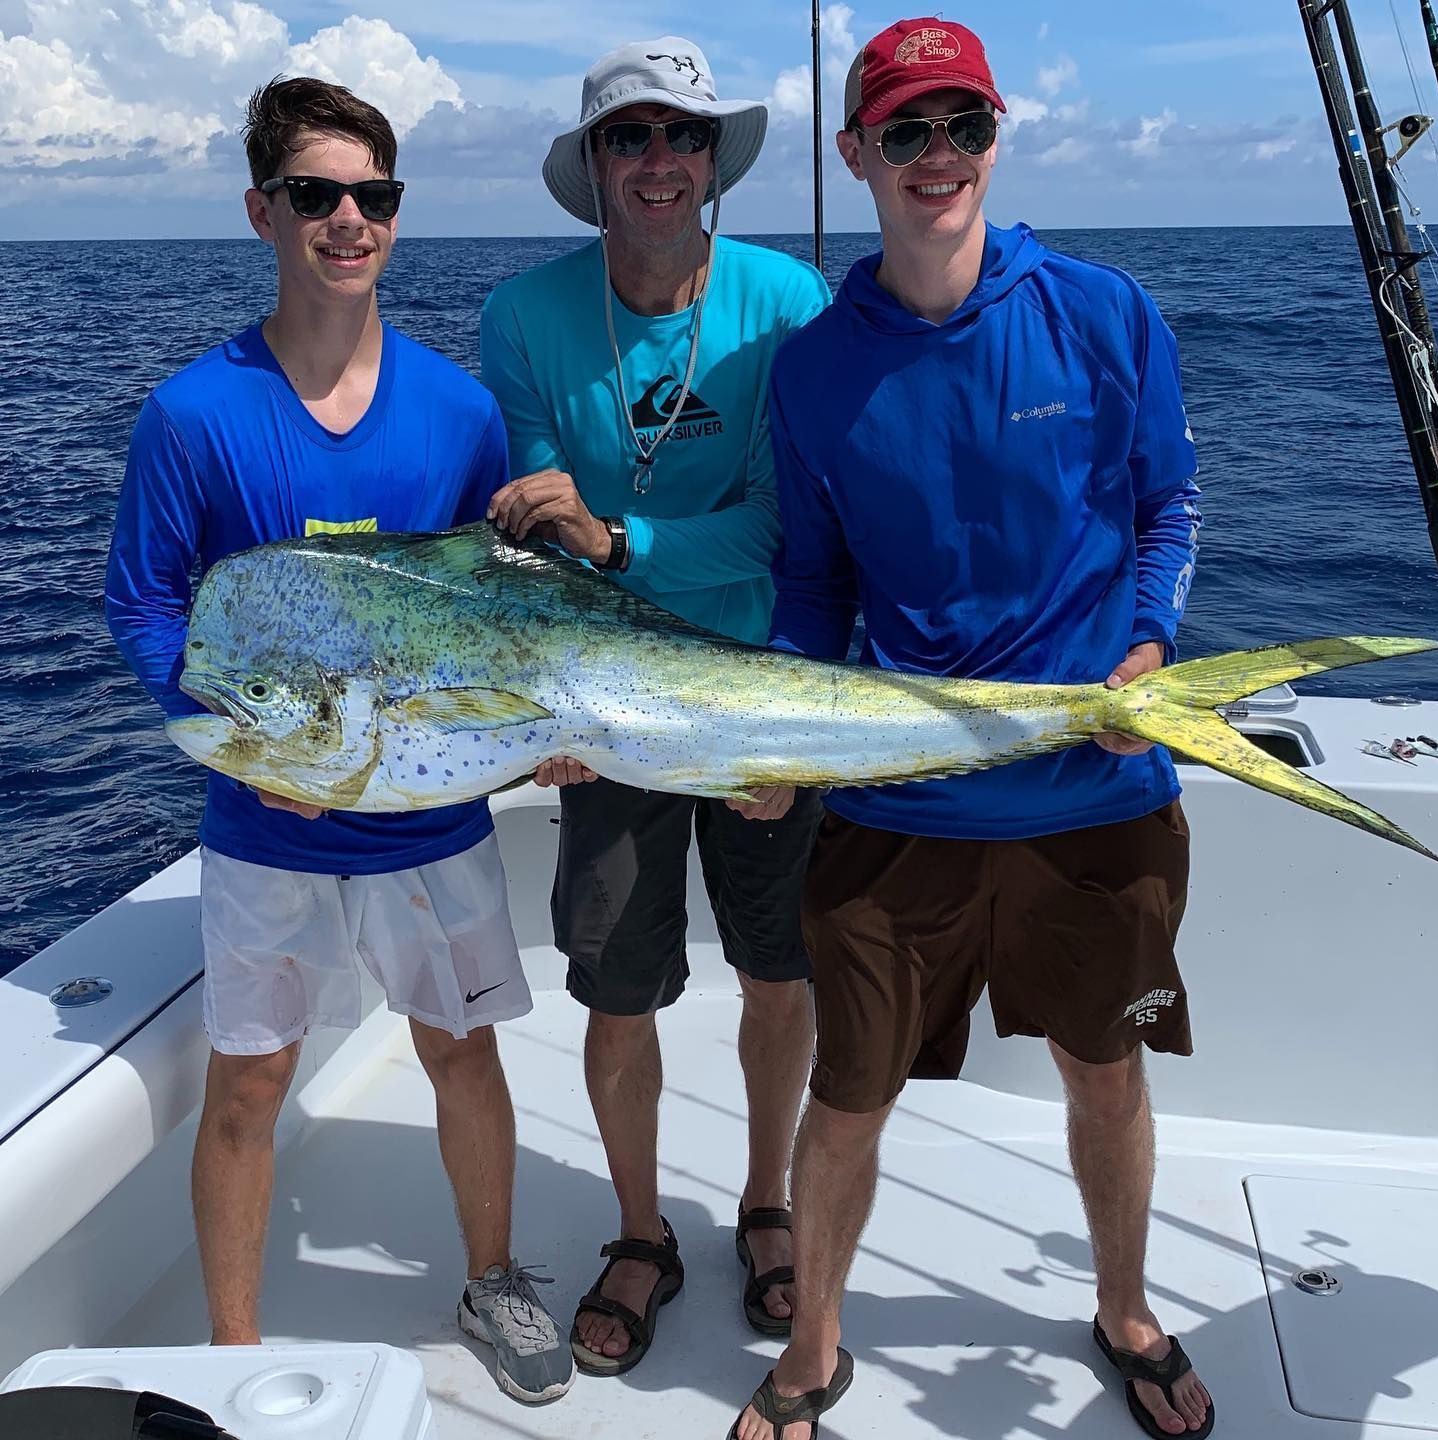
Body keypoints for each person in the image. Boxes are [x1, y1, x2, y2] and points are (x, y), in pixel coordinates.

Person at [730, 17, 1212, 1440]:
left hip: (1094, 793)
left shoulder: (1105, 311)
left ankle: (1122, 1306)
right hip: (899, 806)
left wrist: (1146, 648)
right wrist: (783, 732)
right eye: (905, 131)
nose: (937, 156)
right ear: (855, 156)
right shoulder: (815, 371)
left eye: (963, 126)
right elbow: (812, 587)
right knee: (850, 1092)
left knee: (1105, 1071)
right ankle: (813, 1350)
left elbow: (1169, 505)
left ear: (998, 136)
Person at [104, 75, 574, 1406]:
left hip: (435, 819)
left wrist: (543, 727)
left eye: (373, 196)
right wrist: (241, 739)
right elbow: (143, 602)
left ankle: (493, 1280)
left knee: (461, 1052)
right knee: (249, 1087)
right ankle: (232, 1356)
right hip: (269, 829)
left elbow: (496, 620)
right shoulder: (193, 414)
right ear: (263, 210)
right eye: (316, 195)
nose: (348, 219)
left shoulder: (458, 411)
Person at [480, 39, 831, 1375]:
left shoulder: (789, 300)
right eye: (631, 139)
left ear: (712, 159)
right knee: (618, 986)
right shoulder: (523, 317)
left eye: (682, 135)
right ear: (597, 168)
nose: (660, 162)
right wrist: (537, 710)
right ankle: (642, 1231)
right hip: (604, 704)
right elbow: (531, 536)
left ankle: (765, 1202)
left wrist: (623, 544)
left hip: (754, 691)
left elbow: (786, 529)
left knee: (777, 967)